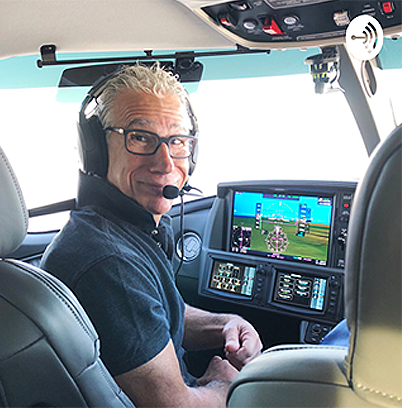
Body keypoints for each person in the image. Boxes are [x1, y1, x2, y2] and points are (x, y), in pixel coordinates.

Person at [41, 63, 263, 408]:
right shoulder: (109, 263)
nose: (165, 163)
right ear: (95, 151)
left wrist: (225, 324)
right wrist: (227, 384)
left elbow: (156, 311)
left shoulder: (118, 231)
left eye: (177, 141)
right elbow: (174, 405)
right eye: (140, 137)